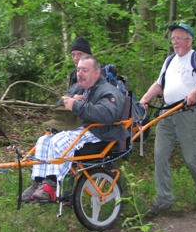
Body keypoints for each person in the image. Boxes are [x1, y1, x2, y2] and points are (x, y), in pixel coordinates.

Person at [139, 23, 196, 214]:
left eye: (178, 38)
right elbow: (159, 84)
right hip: (166, 114)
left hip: (189, 114)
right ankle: (164, 199)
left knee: (192, 158)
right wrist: (145, 99)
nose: (174, 42)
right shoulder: (169, 61)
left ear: (189, 40)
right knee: (160, 156)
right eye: (173, 38)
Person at [22, 55, 129, 202]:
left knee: (58, 141)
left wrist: (77, 106)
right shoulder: (78, 87)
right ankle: (40, 182)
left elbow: (107, 115)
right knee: (43, 141)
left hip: (100, 132)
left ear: (96, 73)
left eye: (85, 70)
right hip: (80, 128)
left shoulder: (108, 90)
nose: (80, 74)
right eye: (78, 70)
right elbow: (58, 105)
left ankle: (52, 186)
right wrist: (70, 100)